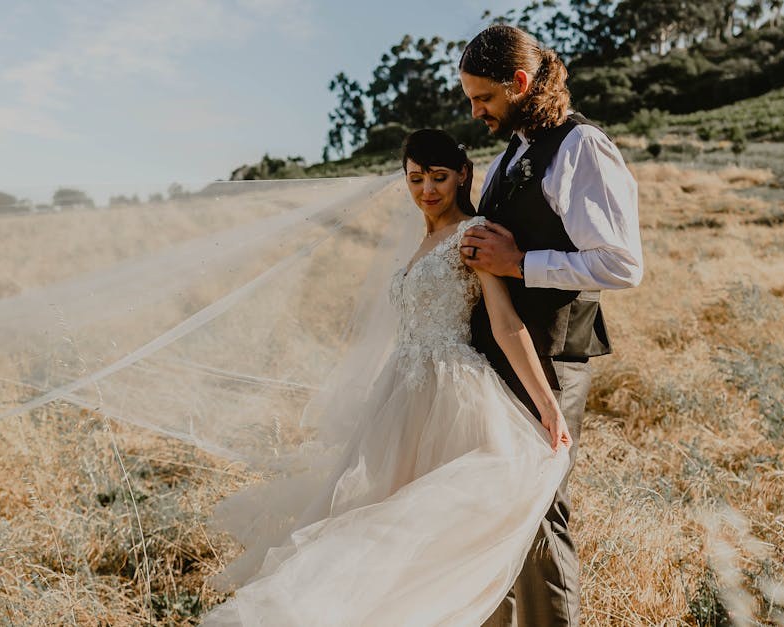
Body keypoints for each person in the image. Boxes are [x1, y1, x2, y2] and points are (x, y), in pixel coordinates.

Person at [199, 129, 580, 626]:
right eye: (416, 178)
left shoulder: (473, 233)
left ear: (463, 175)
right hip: (400, 392)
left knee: (426, 527)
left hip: (452, 393)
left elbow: (506, 325)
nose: (428, 190)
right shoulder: (422, 240)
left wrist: (549, 409)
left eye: (440, 177)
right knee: (369, 518)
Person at [458, 25, 644, 627]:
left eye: (483, 97)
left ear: (519, 83)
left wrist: (519, 264)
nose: (475, 111)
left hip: (554, 357)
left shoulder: (582, 148)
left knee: (540, 510)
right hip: (502, 355)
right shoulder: (516, 147)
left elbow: (622, 264)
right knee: (499, 507)